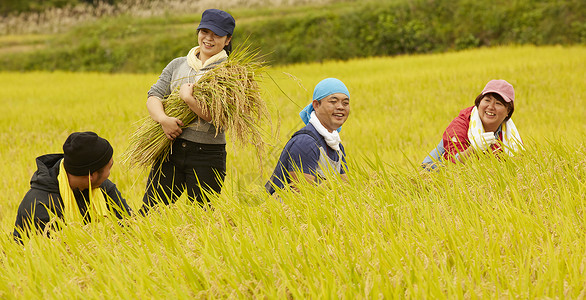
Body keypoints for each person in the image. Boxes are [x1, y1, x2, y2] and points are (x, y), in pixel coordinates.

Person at [139, 9, 236, 213]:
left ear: (227, 40)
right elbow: (154, 95)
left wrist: (189, 100)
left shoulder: (231, 73)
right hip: (171, 148)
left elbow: (221, 120)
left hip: (207, 155)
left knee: (201, 218)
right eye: (204, 31)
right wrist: (163, 119)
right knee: (150, 213)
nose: (208, 39)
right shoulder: (178, 64)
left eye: (216, 34)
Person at [13, 132, 132, 241]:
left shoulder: (103, 188)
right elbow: (50, 258)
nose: (109, 173)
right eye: (110, 167)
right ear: (91, 176)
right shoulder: (40, 206)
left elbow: (130, 225)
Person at [265, 78, 350, 194]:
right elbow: (302, 197)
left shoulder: (336, 146)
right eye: (333, 102)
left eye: (345, 103)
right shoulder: (305, 142)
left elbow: (346, 190)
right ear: (316, 105)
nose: (340, 107)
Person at [422, 79, 524, 169]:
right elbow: (453, 162)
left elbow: (517, 164)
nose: (491, 107)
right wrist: (474, 148)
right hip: (434, 173)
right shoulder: (461, 124)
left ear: (508, 111)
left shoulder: (510, 135)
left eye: (498, 103)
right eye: (487, 100)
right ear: (479, 103)